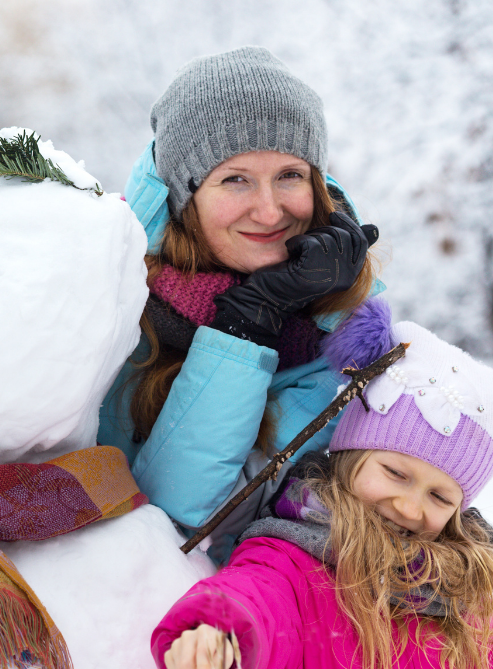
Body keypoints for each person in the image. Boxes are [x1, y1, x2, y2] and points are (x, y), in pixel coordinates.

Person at [152, 304, 493, 669]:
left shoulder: (464, 597)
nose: (409, 506)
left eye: (440, 498)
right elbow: (257, 606)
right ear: (350, 456)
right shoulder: (291, 561)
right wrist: (220, 638)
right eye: (396, 473)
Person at [98, 46, 383, 561]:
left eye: (290, 176)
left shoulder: (353, 325)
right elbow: (174, 519)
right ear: (185, 195)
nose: (270, 209)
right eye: (236, 179)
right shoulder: (116, 308)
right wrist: (245, 326)